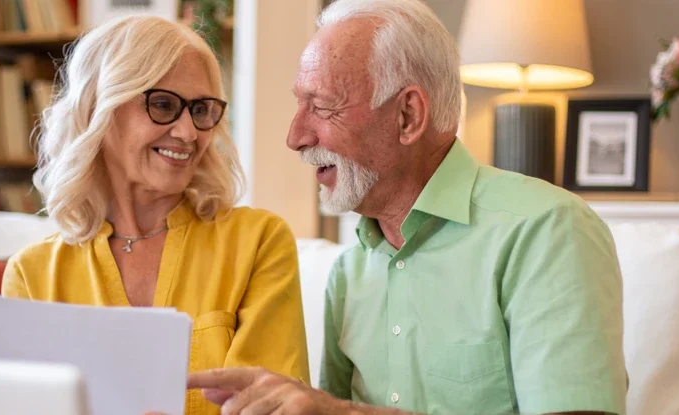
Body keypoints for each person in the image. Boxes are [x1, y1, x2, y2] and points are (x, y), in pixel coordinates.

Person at [187, 0, 628, 414]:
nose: (296, 137)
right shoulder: (350, 273)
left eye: (321, 107)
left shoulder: (547, 231)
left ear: (408, 115)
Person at [1, 15, 311, 415]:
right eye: (163, 105)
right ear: (99, 109)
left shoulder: (258, 242)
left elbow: (272, 407)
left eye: (201, 110)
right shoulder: (32, 275)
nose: (188, 133)